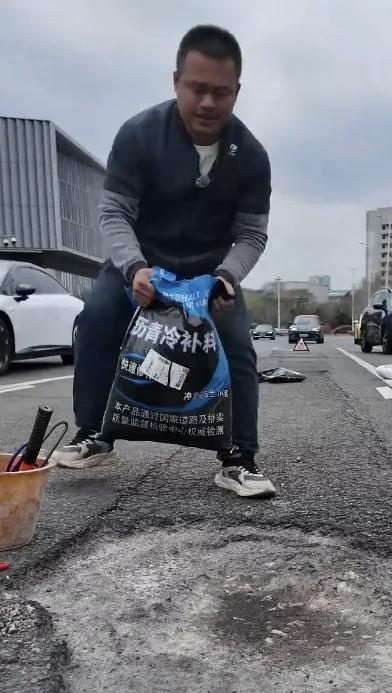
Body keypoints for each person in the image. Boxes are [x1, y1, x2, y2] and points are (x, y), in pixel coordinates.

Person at [54, 25, 275, 499]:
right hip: (142, 262)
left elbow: (252, 234)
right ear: (177, 81)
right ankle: (94, 433)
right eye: (197, 89)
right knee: (97, 317)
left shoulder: (252, 157)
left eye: (221, 92)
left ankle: (240, 457)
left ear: (237, 91)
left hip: (207, 274)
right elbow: (113, 212)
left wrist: (227, 278)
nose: (208, 104)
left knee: (237, 341)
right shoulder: (138, 135)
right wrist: (133, 268)